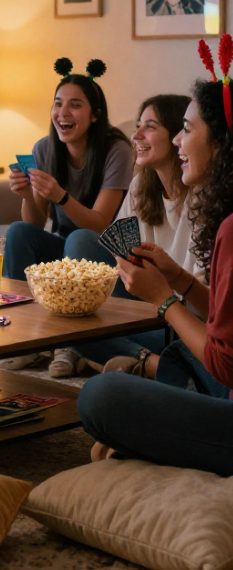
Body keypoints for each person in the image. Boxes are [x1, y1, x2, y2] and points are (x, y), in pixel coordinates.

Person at [78, 36, 233, 476]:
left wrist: (165, 300)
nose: (181, 140)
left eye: (187, 129)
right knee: (178, 359)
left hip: (226, 388)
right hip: (216, 372)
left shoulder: (228, 226)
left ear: (220, 143)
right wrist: (181, 282)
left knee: (100, 397)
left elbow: (224, 361)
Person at [0, 58, 133, 377]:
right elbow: (34, 224)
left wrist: (61, 195)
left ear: (95, 114)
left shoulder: (117, 151)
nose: (63, 113)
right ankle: (22, 339)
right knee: (18, 231)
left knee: (81, 237)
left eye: (75, 105)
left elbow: (101, 222)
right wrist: (27, 195)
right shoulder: (44, 149)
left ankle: (71, 345)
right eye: (58, 104)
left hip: (107, 253)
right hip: (63, 250)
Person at [71, 94, 205, 377]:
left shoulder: (204, 198)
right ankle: (150, 362)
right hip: (144, 304)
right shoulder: (140, 185)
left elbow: (201, 308)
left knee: (81, 335)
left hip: (184, 319)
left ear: (178, 135)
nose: (136, 135)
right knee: (80, 244)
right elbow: (121, 252)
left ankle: (151, 364)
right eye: (139, 125)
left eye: (150, 126)